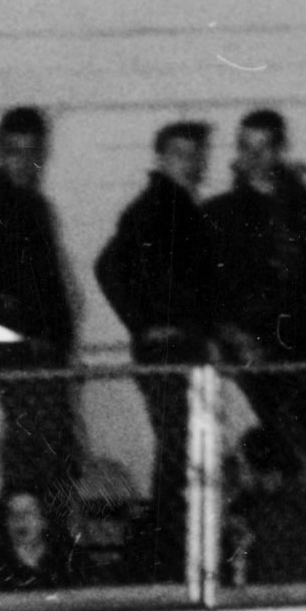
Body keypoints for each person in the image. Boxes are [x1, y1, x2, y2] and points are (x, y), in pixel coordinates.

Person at [97, 118, 219, 568]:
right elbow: (109, 266)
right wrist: (147, 323)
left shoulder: (176, 207)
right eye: (180, 154)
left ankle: (174, 545)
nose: (190, 163)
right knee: (179, 447)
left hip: (181, 346)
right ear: (161, 158)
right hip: (170, 349)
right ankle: (170, 547)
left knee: (182, 446)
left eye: (195, 154)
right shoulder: (156, 208)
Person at [205, 107, 306, 460]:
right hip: (254, 345)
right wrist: (231, 336)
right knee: (284, 437)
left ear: (280, 149)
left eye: (264, 147)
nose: (253, 157)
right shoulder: (220, 214)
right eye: (245, 147)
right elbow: (207, 287)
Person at [0, 108, 83, 530]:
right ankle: (23, 550)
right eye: (15, 152)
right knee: (34, 454)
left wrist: (58, 341)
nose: (25, 162)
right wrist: (22, 340)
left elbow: (51, 289)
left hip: (45, 356)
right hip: (21, 359)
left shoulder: (36, 208)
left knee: (51, 452)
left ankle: (44, 545)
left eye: (34, 153)